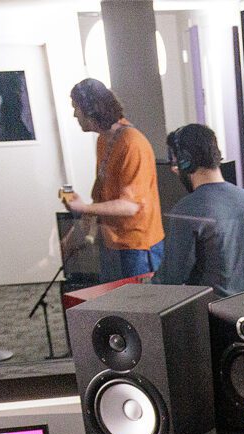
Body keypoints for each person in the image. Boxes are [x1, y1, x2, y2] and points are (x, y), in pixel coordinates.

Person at [62, 78, 165, 283]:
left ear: (91, 111)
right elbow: (104, 195)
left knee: (139, 311)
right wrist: (78, 228)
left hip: (138, 246)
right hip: (113, 241)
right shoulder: (103, 140)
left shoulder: (132, 144)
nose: (74, 114)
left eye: (76, 108)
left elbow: (130, 207)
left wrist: (83, 208)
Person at [151, 124, 244, 297]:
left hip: (212, 316)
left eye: (176, 161)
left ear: (185, 161)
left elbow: (170, 278)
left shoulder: (187, 210)